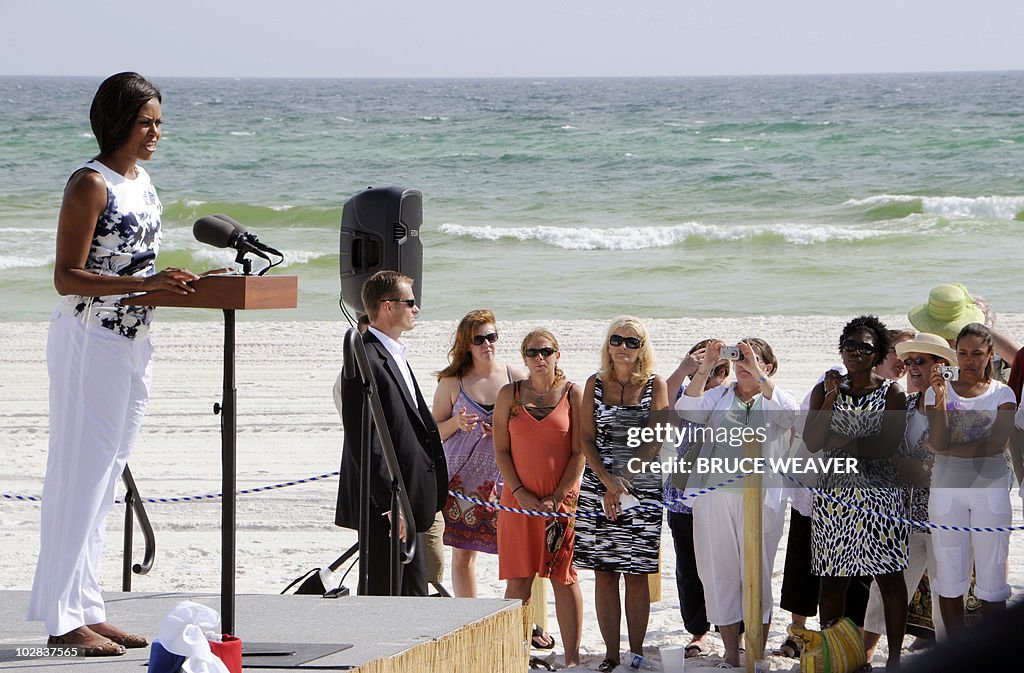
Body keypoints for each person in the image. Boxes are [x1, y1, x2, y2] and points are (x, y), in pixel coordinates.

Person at [26, 72, 200, 656]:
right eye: (146, 122)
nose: (155, 133)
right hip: (88, 341)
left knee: (107, 478)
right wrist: (144, 281)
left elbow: (133, 275)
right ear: (118, 121)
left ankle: (87, 608)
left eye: (159, 124)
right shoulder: (89, 184)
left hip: (132, 340)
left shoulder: (142, 182)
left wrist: (169, 286)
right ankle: (60, 620)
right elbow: (66, 277)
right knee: (80, 473)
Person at [676, 338, 800, 669]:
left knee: (757, 572)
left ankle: (756, 652)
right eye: (740, 359)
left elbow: (793, 417)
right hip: (714, 497)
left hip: (762, 499)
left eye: (753, 359)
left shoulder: (775, 398)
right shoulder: (720, 395)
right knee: (720, 573)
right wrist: (705, 368)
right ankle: (732, 652)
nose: (743, 364)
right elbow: (687, 410)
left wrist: (759, 376)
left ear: (768, 367)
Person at [804, 316, 908, 671]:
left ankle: (893, 660)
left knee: (890, 580)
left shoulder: (892, 392)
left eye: (864, 347)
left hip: (881, 497)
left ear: (877, 352)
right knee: (833, 583)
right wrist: (832, 398)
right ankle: (836, 656)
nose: (855, 352)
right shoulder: (826, 389)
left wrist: (845, 442)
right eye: (849, 345)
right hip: (836, 498)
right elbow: (814, 441)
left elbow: (888, 445)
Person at [334, 271, 448, 596]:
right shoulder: (364, 357)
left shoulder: (394, 353)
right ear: (387, 306)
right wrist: (389, 503)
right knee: (385, 593)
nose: (416, 309)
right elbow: (363, 438)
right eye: (410, 302)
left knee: (413, 593)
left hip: (410, 497)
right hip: (387, 505)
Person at [574, 316, 669, 672]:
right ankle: (611, 655)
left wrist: (623, 481)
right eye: (617, 339)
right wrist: (607, 481)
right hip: (598, 483)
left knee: (637, 571)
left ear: (642, 348)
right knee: (604, 571)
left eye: (632, 342)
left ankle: (638, 651)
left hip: (641, 486)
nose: (623, 347)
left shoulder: (654, 384)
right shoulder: (594, 383)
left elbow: (655, 439)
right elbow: (585, 438)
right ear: (608, 344)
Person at [493, 329, 585, 668]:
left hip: (561, 504)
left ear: (557, 354)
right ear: (524, 357)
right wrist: (520, 493)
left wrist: (558, 496)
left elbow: (579, 453)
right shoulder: (510, 395)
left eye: (545, 351)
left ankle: (572, 659)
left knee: (564, 576)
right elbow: (501, 450)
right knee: (519, 579)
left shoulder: (573, 394)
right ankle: (513, 657)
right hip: (517, 503)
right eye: (532, 352)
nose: (539, 358)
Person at [862, 333, 956, 658]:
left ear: (940, 366)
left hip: (945, 517)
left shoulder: (956, 406)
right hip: (901, 515)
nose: (913, 367)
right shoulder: (904, 404)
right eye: (910, 361)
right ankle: (867, 654)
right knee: (884, 588)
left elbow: (941, 462)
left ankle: (950, 660)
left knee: (947, 593)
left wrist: (905, 463)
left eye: (921, 361)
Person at [925, 322, 1015, 633]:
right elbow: (938, 440)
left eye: (977, 353)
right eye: (962, 353)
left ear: (991, 354)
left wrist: (948, 448)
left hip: (990, 491)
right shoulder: (936, 390)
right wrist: (939, 397)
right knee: (950, 576)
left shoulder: (1003, 392)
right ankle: (955, 650)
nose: (969, 360)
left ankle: (991, 652)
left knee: (992, 576)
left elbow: (997, 444)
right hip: (946, 493)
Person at [431, 310, 526, 599]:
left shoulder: (515, 378)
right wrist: (456, 424)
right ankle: (468, 616)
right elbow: (433, 433)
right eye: (479, 339)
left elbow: (532, 429)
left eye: (492, 337)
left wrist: (502, 429)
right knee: (463, 558)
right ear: (466, 344)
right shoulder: (451, 382)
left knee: (518, 557)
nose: (487, 344)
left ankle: (524, 620)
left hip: (505, 478)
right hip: (461, 483)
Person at [664, 340, 729, 659]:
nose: (717, 374)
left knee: (728, 564)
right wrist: (688, 369)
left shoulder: (733, 393)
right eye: (711, 366)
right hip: (682, 491)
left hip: (722, 493)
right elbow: (662, 406)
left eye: (721, 367)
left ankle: (734, 631)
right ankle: (699, 630)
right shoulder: (685, 391)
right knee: (689, 566)